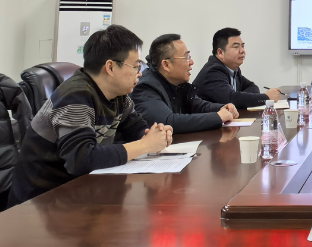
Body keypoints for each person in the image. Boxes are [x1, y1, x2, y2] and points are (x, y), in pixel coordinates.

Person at [8, 25, 172, 206]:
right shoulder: (75, 96)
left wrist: (154, 135)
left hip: (81, 192)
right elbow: (81, 159)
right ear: (110, 67)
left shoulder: (118, 95)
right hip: (40, 203)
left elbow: (136, 127)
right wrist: (145, 145)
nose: (139, 73)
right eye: (135, 66)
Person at [131, 34, 238, 134]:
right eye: (187, 58)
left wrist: (223, 108)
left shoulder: (177, 84)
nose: (191, 62)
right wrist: (217, 117)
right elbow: (168, 122)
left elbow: (198, 106)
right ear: (166, 65)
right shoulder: (145, 88)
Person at [194, 28, 280, 108]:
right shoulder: (213, 72)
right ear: (220, 53)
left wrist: (240, 98)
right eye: (236, 47)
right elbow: (231, 100)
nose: (242, 51)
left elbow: (253, 87)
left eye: (242, 46)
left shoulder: (232, 69)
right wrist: (266, 97)